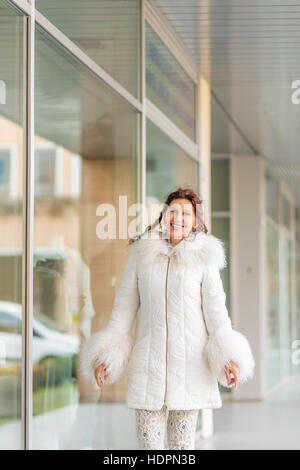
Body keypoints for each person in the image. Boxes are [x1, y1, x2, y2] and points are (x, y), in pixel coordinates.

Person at [80, 187, 255, 450]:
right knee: (149, 447)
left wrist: (229, 357)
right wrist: (106, 356)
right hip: (148, 368)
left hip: (190, 369)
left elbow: (217, 313)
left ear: (195, 221)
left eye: (186, 213)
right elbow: (122, 311)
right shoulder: (142, 256)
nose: (178, 217)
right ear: (164, 214)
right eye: (173, 211)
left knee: (181, 447)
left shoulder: (204, 260)